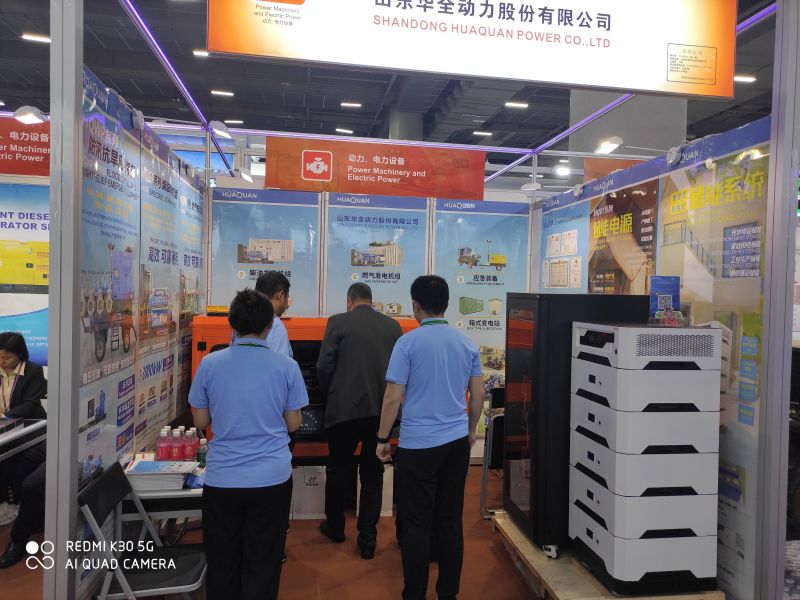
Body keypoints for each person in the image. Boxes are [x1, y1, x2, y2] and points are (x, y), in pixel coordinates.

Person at [190, 289, 309, 600]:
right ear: (270, 325)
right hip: (271, 479)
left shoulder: (210, 364)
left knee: (222, 560)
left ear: (232, 324)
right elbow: (293, 423)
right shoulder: (287, 367)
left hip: (222, 478)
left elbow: (201, 420)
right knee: (264, 561)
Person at [376, 276, 484, 600]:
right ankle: (448, 593)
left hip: (418, 446)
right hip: (455, 444)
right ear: (446, 304)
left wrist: (382, 438)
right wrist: (471, 430)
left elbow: (392, 397)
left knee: (416, 524)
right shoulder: (466, 343)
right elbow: (477, 394)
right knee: (450, 521)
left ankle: (415, 594)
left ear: (415, 305)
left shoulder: (407, 344)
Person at [316, 283, 402, 559]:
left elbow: (323, 367)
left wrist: (330, 394)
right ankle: (367, 539)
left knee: (338, 469)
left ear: (349, 300)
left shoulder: (337, 322)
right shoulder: (392, 326)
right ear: (371, 301)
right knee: (372, 473)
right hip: (380, 412)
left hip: (344, 410)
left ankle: (335, 527)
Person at [0, 332, 48, 567]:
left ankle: (19, 533)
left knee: (24, 475)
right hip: (6, 434)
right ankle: (11, 506)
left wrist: (5, 417)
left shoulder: (33, 371)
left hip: (34, 433)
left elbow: (30, 405)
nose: (2, 362)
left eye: (7, 358)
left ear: (19, 355)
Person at [255, 271, 293, 358]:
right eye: (287, 297)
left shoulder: (242, 322)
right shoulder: (276, 326)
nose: (286, 305)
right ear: (281, 295)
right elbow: (280, 364)